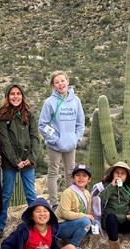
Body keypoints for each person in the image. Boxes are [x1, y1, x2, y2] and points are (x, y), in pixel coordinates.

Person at [0, 83, 40, 240]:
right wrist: (15, 161)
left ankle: (36, 223)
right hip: (9, 162)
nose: (15, 96)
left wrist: (31, 158)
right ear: (7, 96)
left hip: (27, 160)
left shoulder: (29, 115)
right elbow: (4, 142)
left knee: (30, 193)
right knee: (6, 193)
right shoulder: (2, 116)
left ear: (22, 96)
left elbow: (35, 137)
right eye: (12, 94)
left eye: (18, 93)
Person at [38, 71, 85, 207]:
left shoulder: (76, 101)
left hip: (71, 144)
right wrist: (54, 139)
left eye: (62, 81)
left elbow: (80, 123)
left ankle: (69, 202)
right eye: (57, 82)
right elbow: (42, 125)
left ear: (67, 81)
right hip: (54, 145)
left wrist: (76, 139)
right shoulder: (49, 102)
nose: (60, 84)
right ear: (53, 86)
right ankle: (54, 203)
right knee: (53, 173)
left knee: (70, 173)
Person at [55, 164, 97, 249]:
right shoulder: (68, 192)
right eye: (78, 175)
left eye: (84, 176)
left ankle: (69, 240)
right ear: (73, 178)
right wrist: (85, 217)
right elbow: (66, 214)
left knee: (96, 225)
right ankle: (73, 248)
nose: (81, 178)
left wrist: (90, 218)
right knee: (86, 222)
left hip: (75, 224)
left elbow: (88, 212)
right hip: (61, 226)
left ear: (89, 179)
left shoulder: (87, 193)